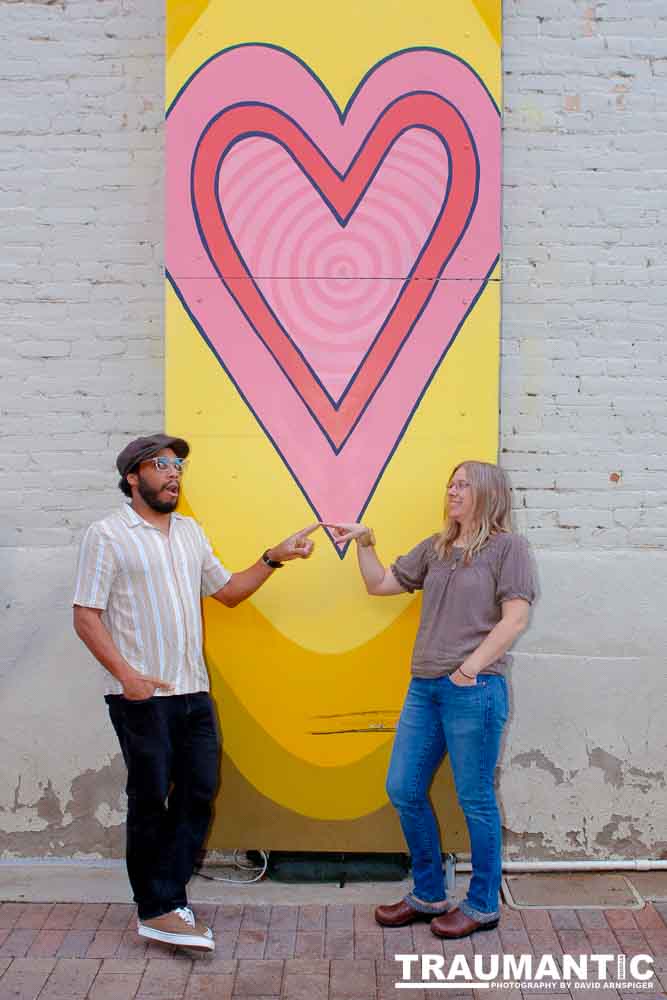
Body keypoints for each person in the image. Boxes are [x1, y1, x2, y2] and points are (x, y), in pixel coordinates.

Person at [73, 433, 318, 951]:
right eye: (161, 465)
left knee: (200, 793)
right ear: (133, 477)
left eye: (178, 466)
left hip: (193, 692)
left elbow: (227, 592)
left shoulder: (189, 532)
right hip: (142, 698)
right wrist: (128, 676)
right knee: (149, 801)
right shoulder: (108, 534)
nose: (173, 474)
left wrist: (273, 558)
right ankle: (156, 908)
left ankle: (169, 899)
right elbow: (86, 615)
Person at [326, 461, 535, 939]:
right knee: (403, 788)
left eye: (463, 485)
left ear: (488, 493)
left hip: (474, 689)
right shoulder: (437, 548)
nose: (452, 492)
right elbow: (379, 584)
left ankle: (482, 904)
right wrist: (365, 543)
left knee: (475, 798)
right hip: (424, 689)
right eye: (450, 484)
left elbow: (515, 619)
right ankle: (428, 894)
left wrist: (469, 669)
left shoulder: (509, 548)